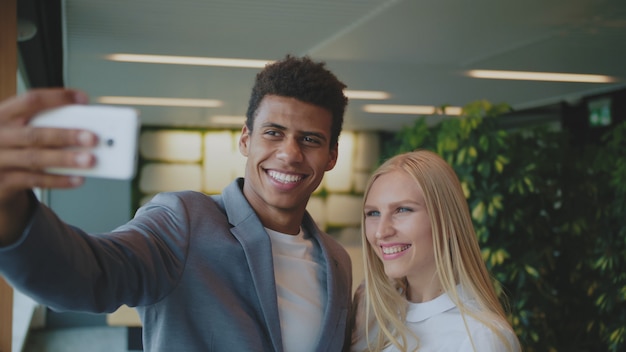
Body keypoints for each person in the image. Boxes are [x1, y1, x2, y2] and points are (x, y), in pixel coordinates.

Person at [0, 55, 353, 352]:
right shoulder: (184, 221)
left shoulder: (336, 259)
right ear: (246, 139)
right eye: (273, 132)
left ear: (332, 156)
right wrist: (11, 212)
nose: (290, 154)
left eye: (309, 140)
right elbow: (93, 275)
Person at [350, 150, 521, 352]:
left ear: (447, 222)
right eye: (374, 213)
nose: (381, 231)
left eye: (403, 210)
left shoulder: (482, 338)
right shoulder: (371, 315)